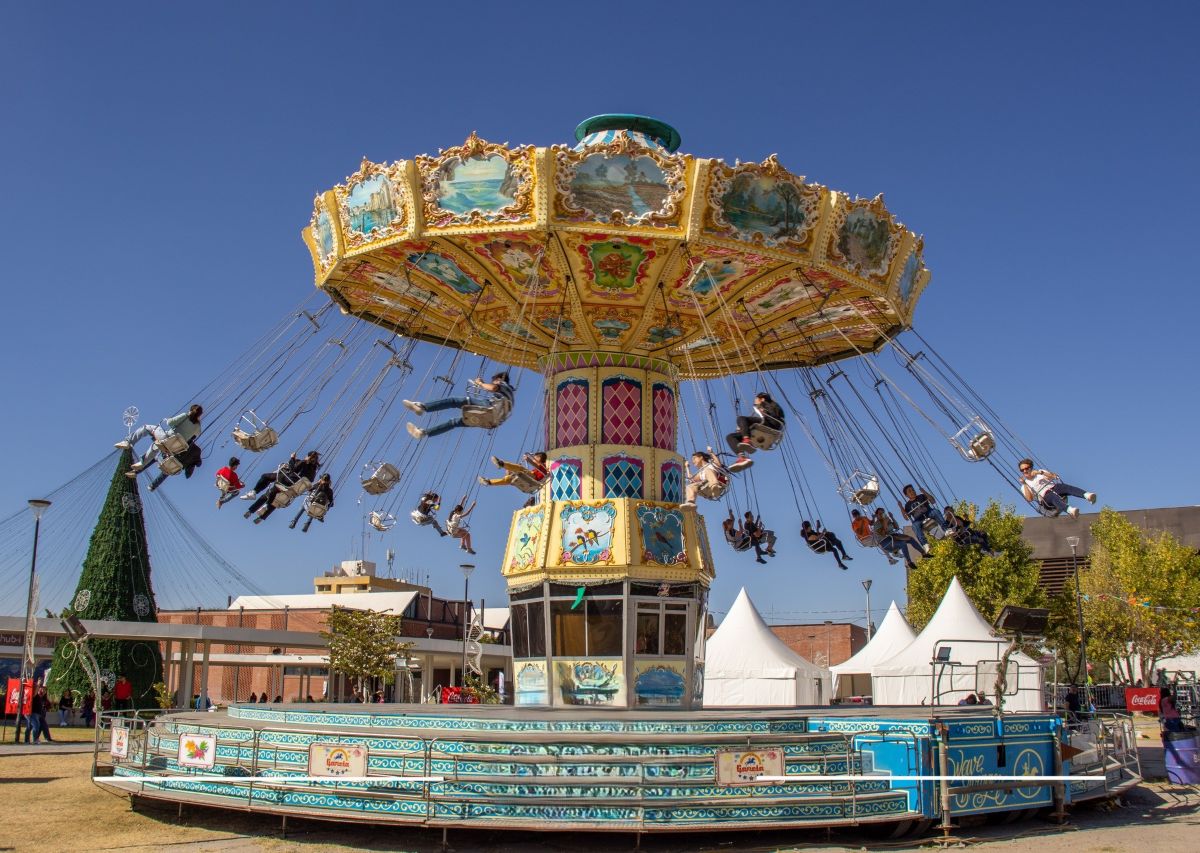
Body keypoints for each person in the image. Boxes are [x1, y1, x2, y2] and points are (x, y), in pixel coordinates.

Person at [405, 371, 515, 439]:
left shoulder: (502, 384)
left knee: (454, 401)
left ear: (498, 379)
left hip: (490, 408)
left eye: (493, 380)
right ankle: (423, 433)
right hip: (492, 422)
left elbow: (493, 388)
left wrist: (480, 383)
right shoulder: (510, 395)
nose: (492, 382)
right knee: (454, 423)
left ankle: (423, 407)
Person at [118, 404, 203, 475]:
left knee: (146, 428)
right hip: (174, 448)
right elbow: (196, 435)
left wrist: (169, 419)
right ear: (199, 415)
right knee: (155, 446)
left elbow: (170, 423)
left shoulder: (185, 416)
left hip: (167, 438)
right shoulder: (198, 426)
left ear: (190, 410)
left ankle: (128, 441)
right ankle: (142, 463)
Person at [243, 450, 321, 523]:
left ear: (308, 456)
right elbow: (310, 482)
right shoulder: (313, 472)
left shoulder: (303, 462)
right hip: (293, 490)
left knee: (265, 478)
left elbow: (292, 469)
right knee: (277, 500)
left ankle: (254, 496)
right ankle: (261, 517)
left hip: (285, 481)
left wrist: (292, 458)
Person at [1018, 459, 1096, 518]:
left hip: (1055, 488)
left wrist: (1040, 472)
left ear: (1031, 468)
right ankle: (1070, 510)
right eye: (1022, 470)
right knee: (1051, 496)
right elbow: (1029, 499)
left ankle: (1087, 495)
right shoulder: (1025, 485)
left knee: (1063, 486)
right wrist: (1024, 483)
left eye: (1027, 468)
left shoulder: (1040, 472)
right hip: (1045, 499)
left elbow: (1054, 476)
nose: (1025, 471)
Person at [898, 484, 945, 554]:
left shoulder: (921, 496)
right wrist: (901, 507)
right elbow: (906, 518)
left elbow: (933, 501)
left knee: (936, 512)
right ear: (906, 495)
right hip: (919, 519)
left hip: (928, 512)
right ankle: (925, 544)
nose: (912, 492)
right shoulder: (907, 505)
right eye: (910, 491)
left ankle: (946, 529)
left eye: (913, 490)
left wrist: (924, 492)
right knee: (915, 525)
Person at [479, 452, 548, 489]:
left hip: (534, 480)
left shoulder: (543, 466)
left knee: (520, 468)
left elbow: (536, 465)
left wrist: (529, 460)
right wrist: (509, 473)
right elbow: (534, 468)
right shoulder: (536, 469)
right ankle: (489, 482)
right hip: (530, 481)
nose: (533, 459)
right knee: (509, 479)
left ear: (539, 458)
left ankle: (501, 464)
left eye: (534, 458)